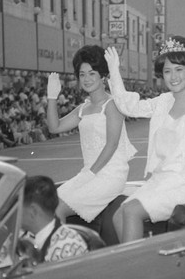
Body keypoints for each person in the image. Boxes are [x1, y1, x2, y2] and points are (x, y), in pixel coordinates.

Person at [104, 36, 185, 243]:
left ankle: (135, 269)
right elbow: (128, 107)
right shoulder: (163, 102)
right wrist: (114, 70)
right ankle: (140, 264)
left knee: (131, 211)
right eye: (167, 71)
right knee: (118, 215)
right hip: (160, 179)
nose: (173, 77)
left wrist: (180, 178)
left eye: (179, 69)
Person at [46, 44, 137, 224]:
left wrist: (89, 175)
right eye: (82, 74)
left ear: (103, 76)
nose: (86, 79)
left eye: (92, 73)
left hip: (109, 175)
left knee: (57, 210)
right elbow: (54, 127)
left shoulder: (112, 105)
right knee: (49, 206)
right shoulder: (83, 108)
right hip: (89, 173)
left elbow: (111, 145)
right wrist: (51, 98)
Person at [18, 175, 89, 264]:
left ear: (33, 211)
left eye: (17, 208)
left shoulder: (67, 249)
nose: (13, 214)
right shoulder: (24, 236)